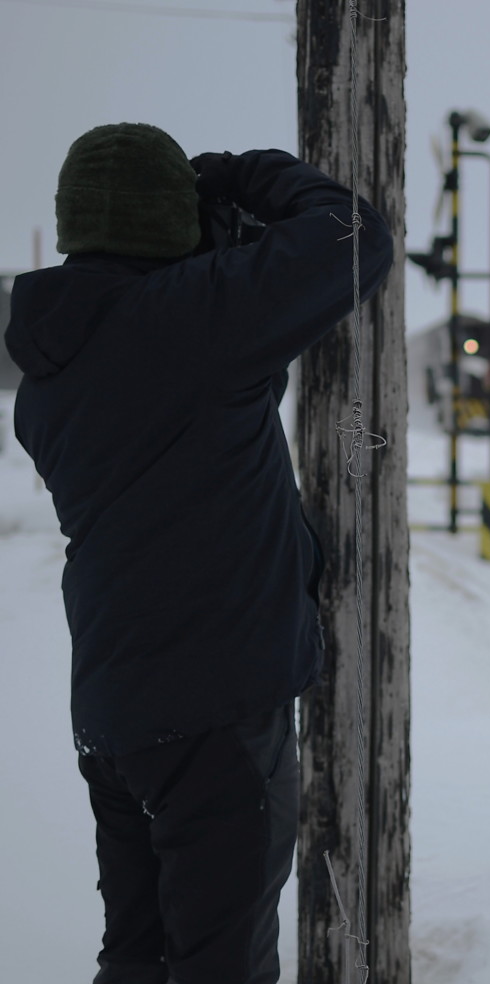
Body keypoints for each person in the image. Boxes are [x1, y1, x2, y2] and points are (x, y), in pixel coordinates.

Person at [4, 122, 393, 984]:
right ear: (170, 223)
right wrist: (249, 177)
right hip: (216, 714)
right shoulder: (192, 320)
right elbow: (354, 236)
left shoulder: (49, 375)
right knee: (225, 964)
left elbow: (191, 444)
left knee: (137, 955)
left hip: (116, 715)